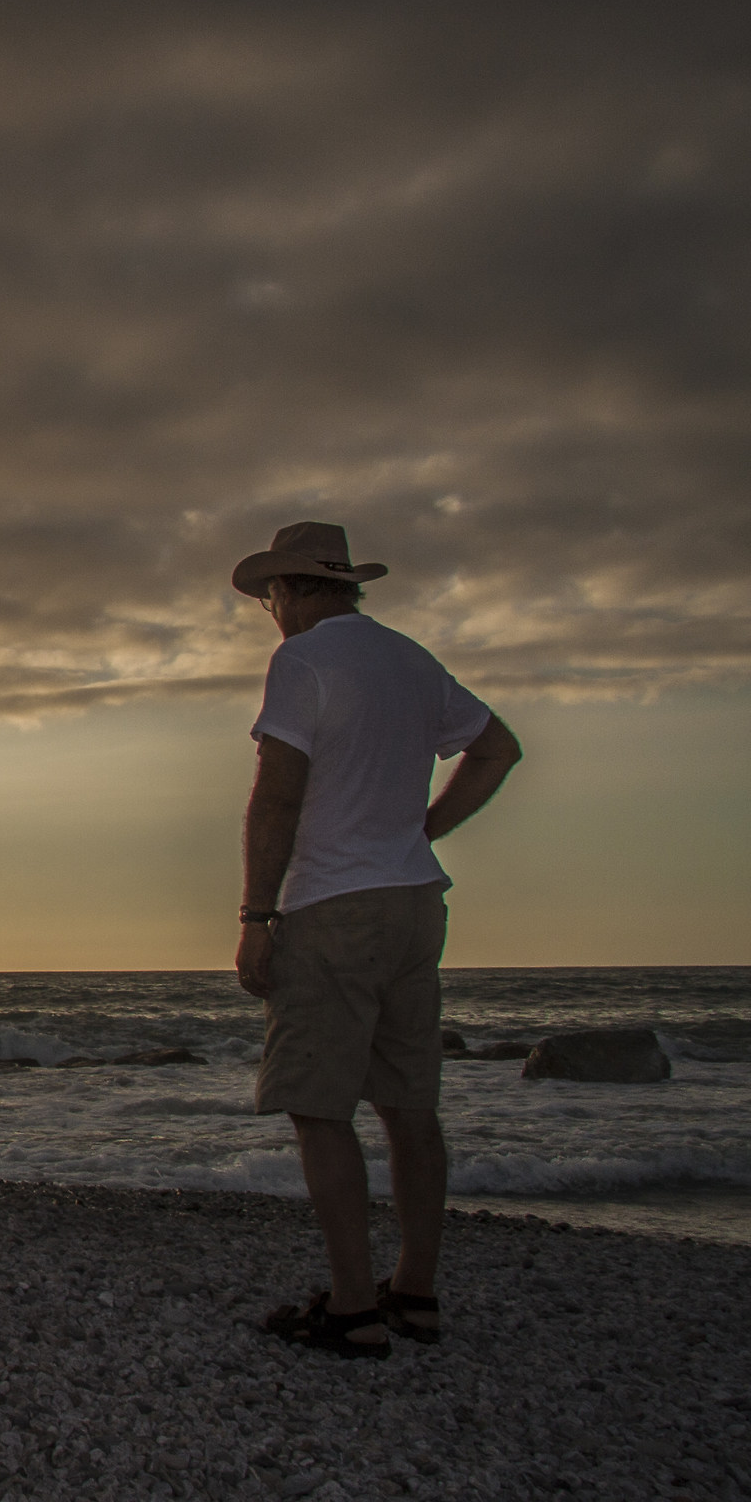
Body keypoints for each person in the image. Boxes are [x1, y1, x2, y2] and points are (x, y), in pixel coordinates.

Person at [229, 521, 523, 1359]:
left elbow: (278, 796)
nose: (270, 612)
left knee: (320, 1108)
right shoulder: (410, 658)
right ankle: (415, 1292)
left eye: (270, 596)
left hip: (335, 905)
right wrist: (425, 828)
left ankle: (354, 1307)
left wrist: (255, 918)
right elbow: (497, 749)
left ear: (292, 589)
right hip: (414, 900)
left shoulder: (305, 660)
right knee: (409, 1107)